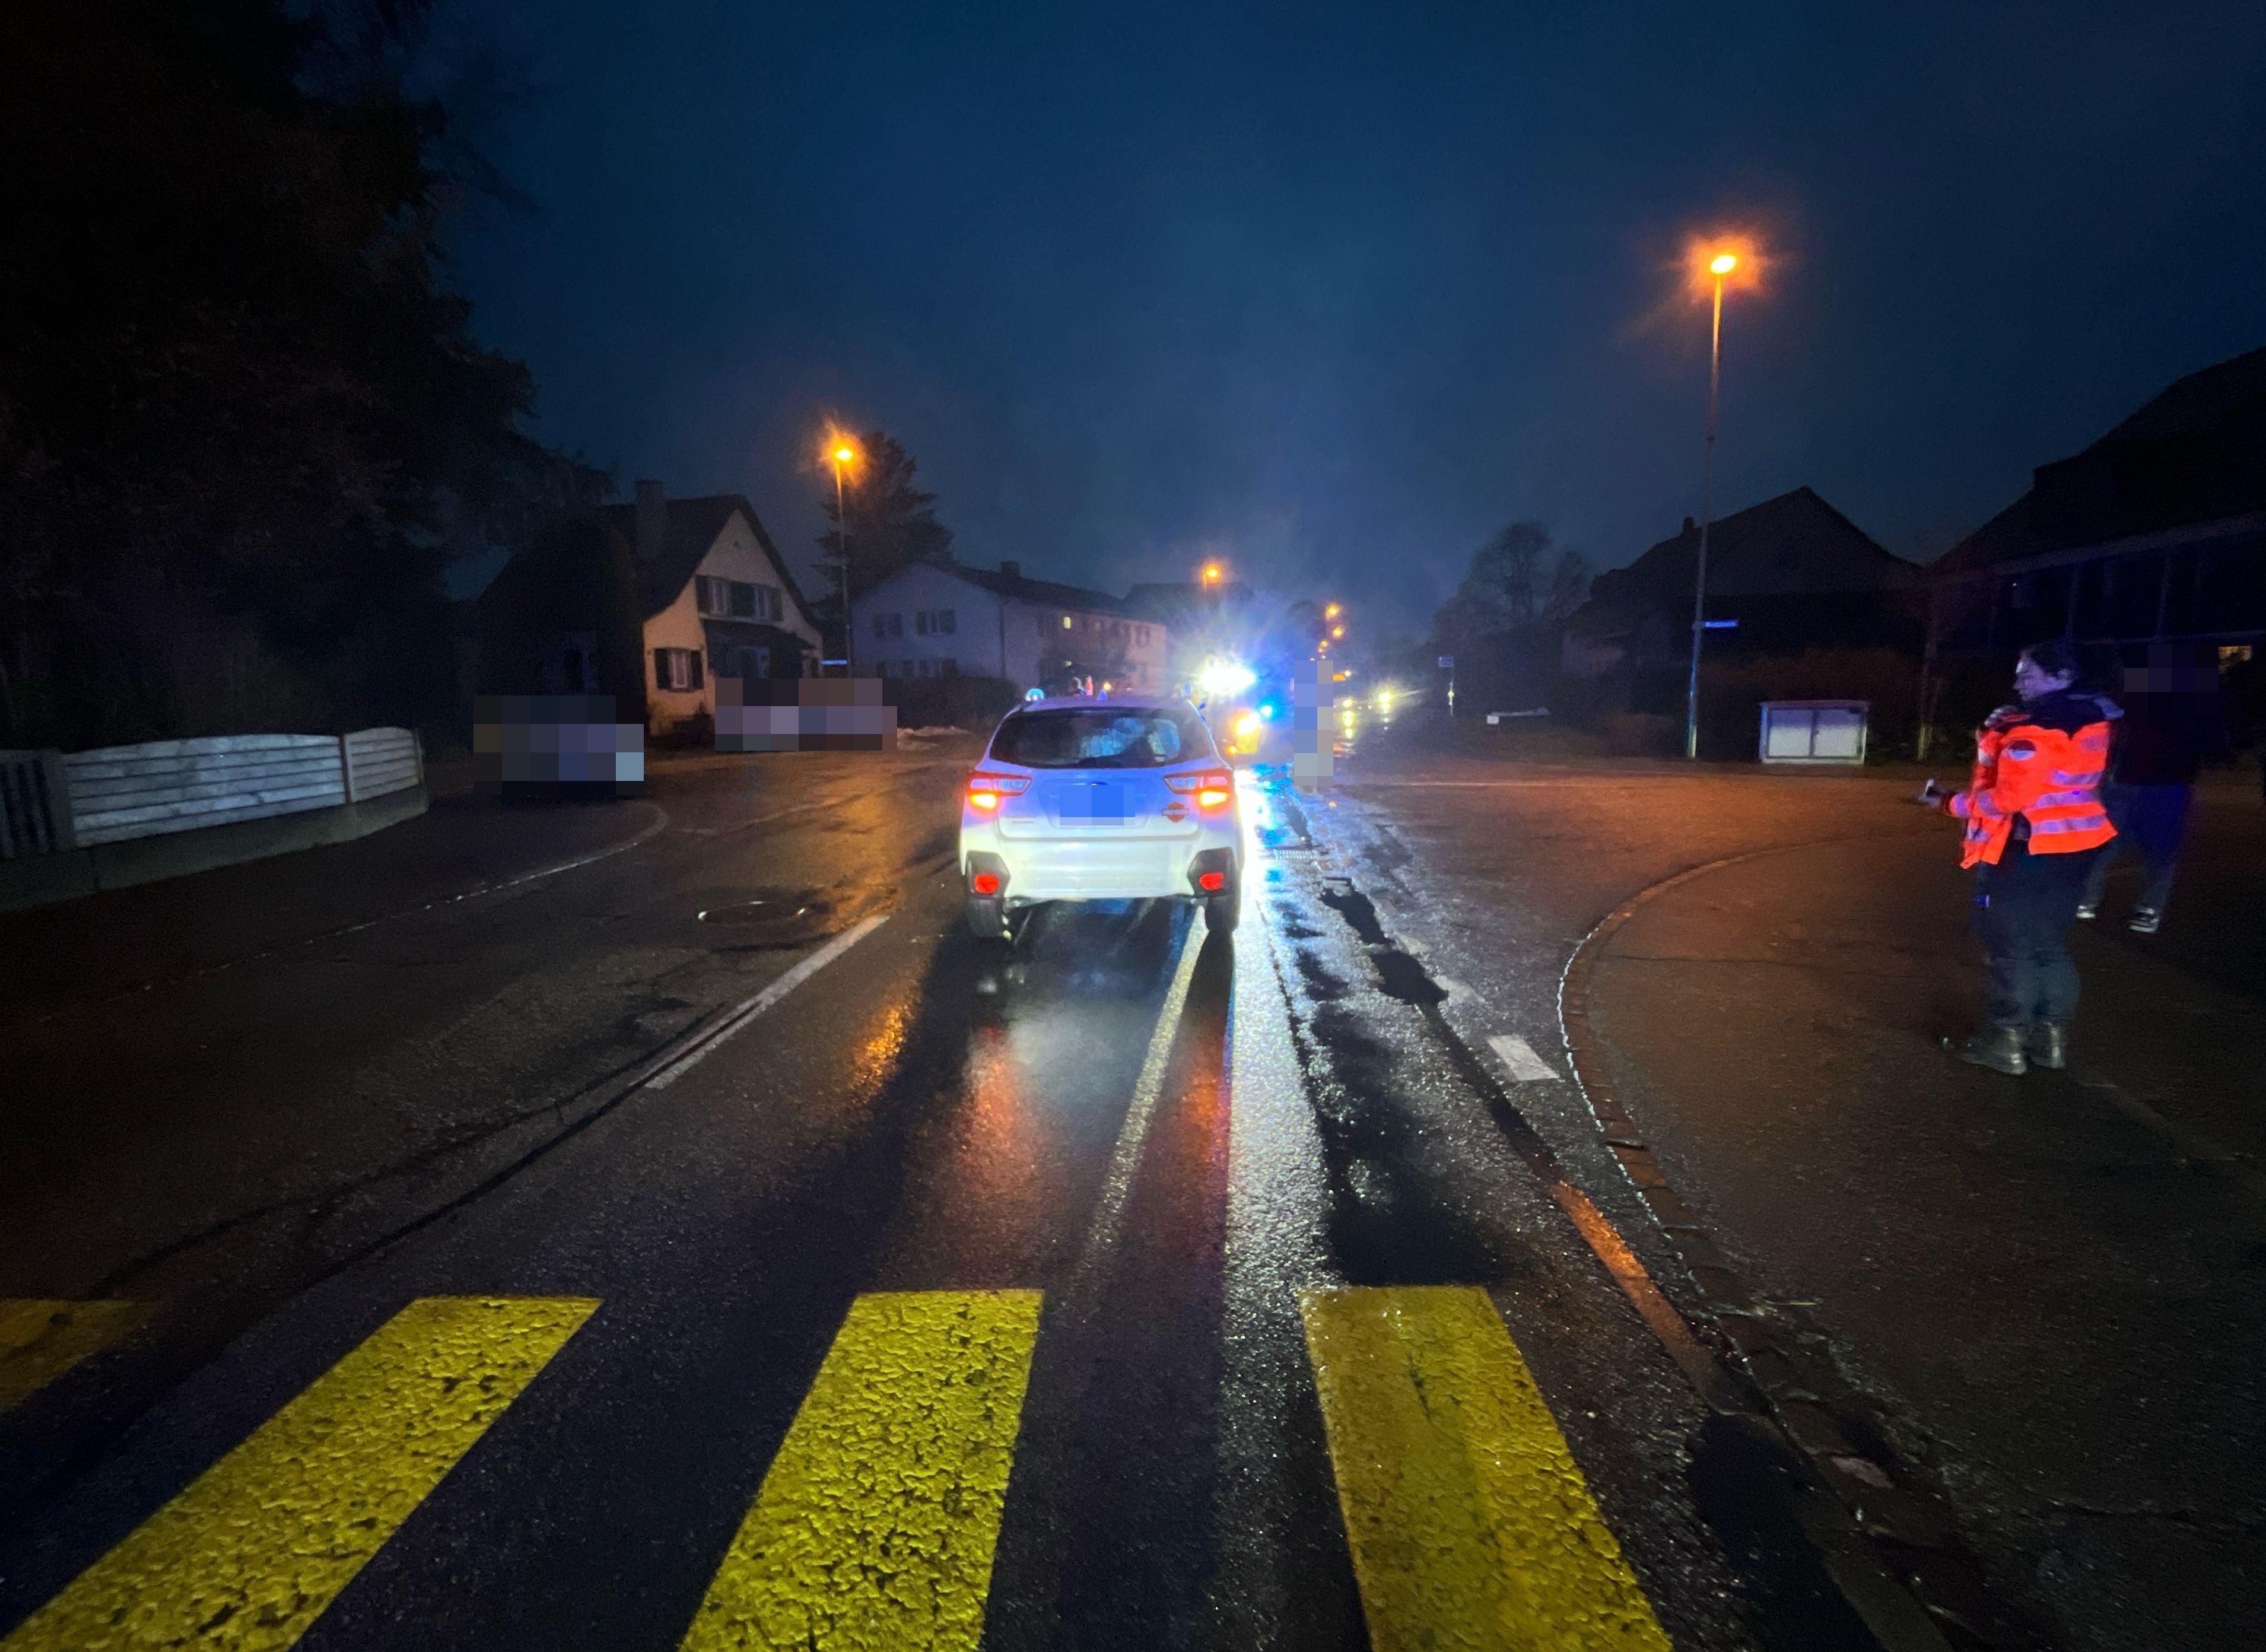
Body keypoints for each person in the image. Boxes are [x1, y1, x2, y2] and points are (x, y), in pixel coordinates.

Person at [1921, 639, 2118, 1076]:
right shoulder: (2091, 718)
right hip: (2076, 848)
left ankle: (2004, 1041)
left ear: (2061, 677)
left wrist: (1948, 803)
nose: (2018, 682)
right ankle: (2050, 1040)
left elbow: (2009, 797)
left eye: (2028, 673)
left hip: (2027, 850)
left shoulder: (2032, 732)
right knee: (2048, 946)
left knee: (2010, 948)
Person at [2079, 642, 2229, 932]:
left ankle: (2136, 907)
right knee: (2120, 847)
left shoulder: (2181, 702)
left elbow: (2211, 741)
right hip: (2140, 783)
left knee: (2148, 851)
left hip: (2160, 785)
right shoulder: (2137, 700)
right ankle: (2131, 908)